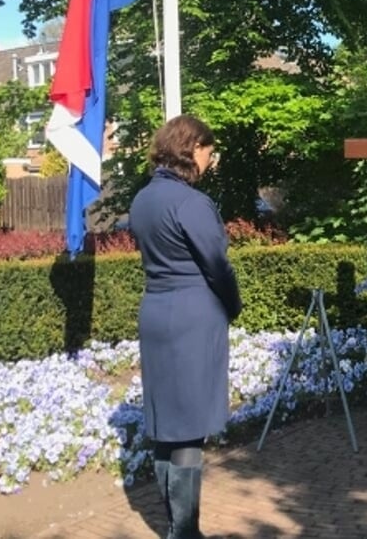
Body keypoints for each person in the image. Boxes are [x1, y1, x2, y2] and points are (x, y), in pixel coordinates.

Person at [130, 114, 242, 539]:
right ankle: (186, 531)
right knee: (189, 428)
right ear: (192, 149)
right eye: (209, 153)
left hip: (156, 310)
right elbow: (216, 264)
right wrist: (232, 305)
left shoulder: (143, 199)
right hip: (193, 315)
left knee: (168, 426)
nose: (210, 162)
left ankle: (176, 525)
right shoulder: (191, 203)